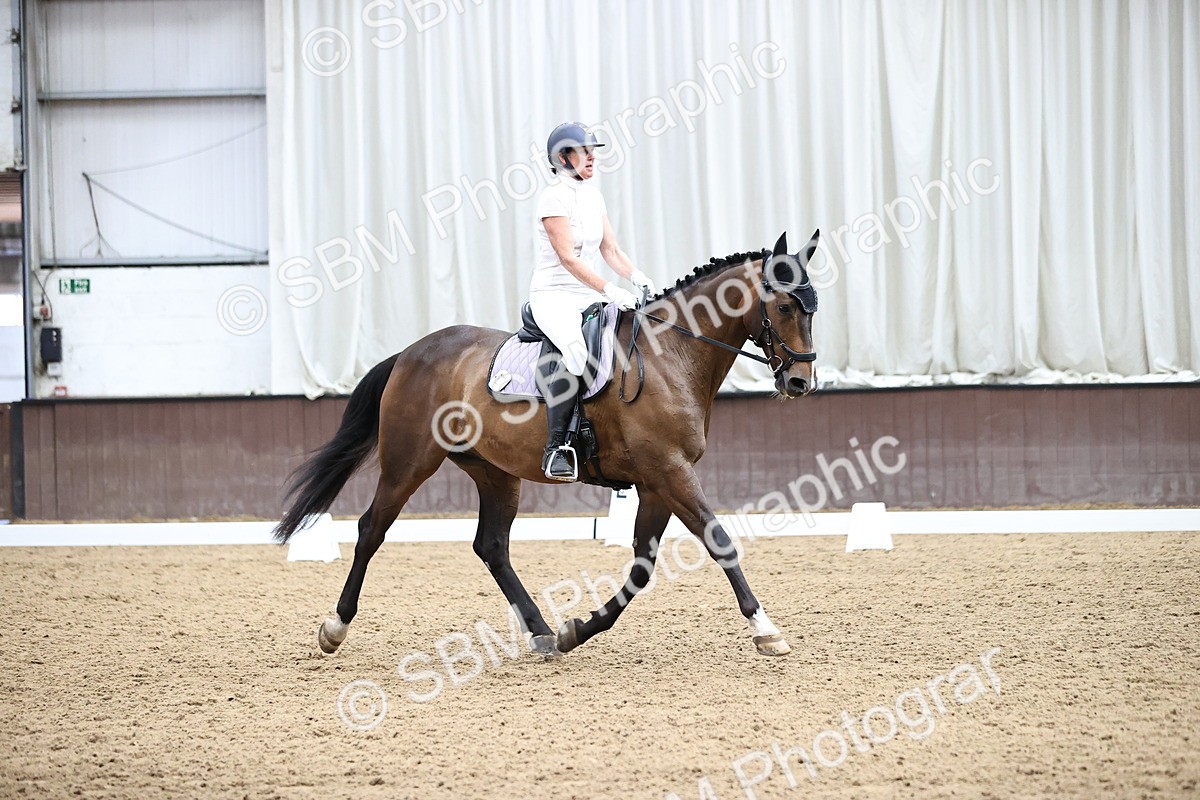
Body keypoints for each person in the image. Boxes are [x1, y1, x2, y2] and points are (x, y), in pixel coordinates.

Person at [530, 121, 657, 481]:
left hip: (588, 293)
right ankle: (556, 447)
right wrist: (608, 289)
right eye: (583, 151)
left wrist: (635, 276)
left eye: (592, 151)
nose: (591, 157)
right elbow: (569, 258)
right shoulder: (552, 197)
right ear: (562, 157)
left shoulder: (593, 195)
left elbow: (610, 248)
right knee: (576, 353)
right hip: (553, 295)